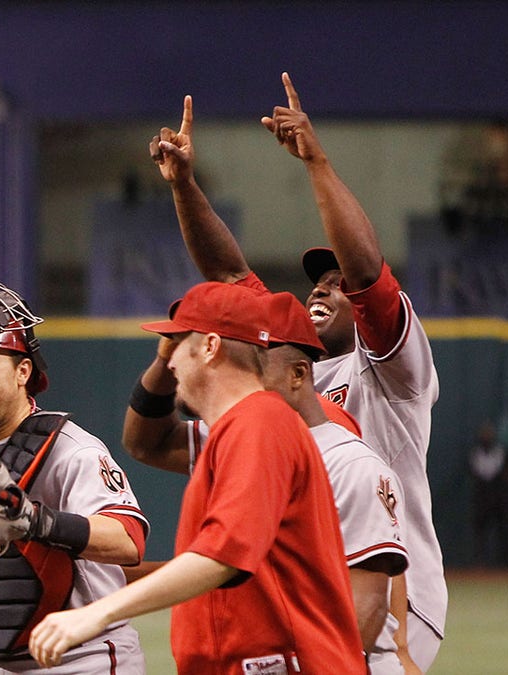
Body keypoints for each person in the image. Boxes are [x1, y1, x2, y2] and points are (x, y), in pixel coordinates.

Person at [146, 73, 446, 671]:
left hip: (385, 593)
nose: (323, 289)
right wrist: (183, 186)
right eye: (316, 281)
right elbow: (231, 283)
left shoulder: (390, 371)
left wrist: (316, 162)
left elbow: (366, 274)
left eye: (336, 286)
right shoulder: (279, 366)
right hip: (305, 588)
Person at [27, 281, 366, 672]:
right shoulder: (236, 430)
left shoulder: (261, 422)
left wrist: (97, 613)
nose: (170, 362)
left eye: (177, 343)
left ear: (209, 346)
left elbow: (224, 556)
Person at [124, 290, 411, 673]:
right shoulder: (234, 434)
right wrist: (171, 354)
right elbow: (144, 443)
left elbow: (367, 605)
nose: (238, 372)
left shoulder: (350, 462)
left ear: (298, 374)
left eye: (258, 363)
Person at [0, 279, 150, 674]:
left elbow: (128, 541)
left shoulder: (71, 450)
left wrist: (34, 521)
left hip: (80, 657)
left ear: (23, 371)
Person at [468, 420, 508, 567]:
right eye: (484, 435)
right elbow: (476, 475)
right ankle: (480, 563)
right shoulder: (475, 454)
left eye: (489, 434)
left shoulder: (501, 453)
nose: (486, 438)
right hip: (482, 500)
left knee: (504, 531)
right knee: (481, 533)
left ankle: (507, 564)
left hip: (500, 499)